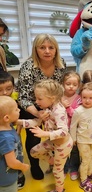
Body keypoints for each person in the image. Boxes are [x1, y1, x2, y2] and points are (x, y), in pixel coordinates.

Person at [17, 33, 66, 180]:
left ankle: (56, 160)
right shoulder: (28, 67)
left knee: (57, 133)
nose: (47, 51)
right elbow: (23, 97)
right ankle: (35, 164)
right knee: (34, 137)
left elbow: (59, 89)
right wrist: (38, 114)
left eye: (51, 47)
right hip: (32, 105)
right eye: (42, 47)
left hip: (52, 105)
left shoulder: (60, 64)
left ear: (56, 50)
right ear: (35, 49)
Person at [17, 79, 72, 192]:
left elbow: (64, 132)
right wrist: (18, 122)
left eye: (39, 99)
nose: (36, 102)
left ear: (51, 98)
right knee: (33, 152)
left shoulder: (58, 111)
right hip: (53, 142)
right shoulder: (48, 108)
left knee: (57, 171)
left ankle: (60, 190)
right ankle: (52, 161)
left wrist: (45, 133)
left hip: (63, 145)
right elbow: (36, 122)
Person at [70, 82, 92, 192]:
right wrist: (74, 139)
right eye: (84, 97)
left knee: (91, 157)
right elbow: (73, 126)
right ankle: (83, 180)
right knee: (85, 160)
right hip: (82, 140)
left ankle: (90, 173)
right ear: (80, 97)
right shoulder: (78, 111)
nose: (87, 100)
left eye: (91, 98)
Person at [0, 72, 27, 190]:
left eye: (9, 88)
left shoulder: (14, 98)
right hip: (6, 134)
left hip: (11, 130)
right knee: (10, 153)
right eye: (0, 90)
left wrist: (18, 129)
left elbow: (17, 116)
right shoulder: (5, 138)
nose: (5, 92)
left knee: (17, 150)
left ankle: (18, 173)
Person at [61, 71, 82, 181]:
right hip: (61, 130)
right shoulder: (59, 97)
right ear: (63, 84)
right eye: (68, 84)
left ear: (78, 86)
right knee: (62, 150)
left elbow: (76, 115)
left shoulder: (79, 98)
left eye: (74, 85)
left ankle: (74, 168)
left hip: (74, 130)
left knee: (74, 150)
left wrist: (67, 107)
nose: (71, 87)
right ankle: (63, 168)